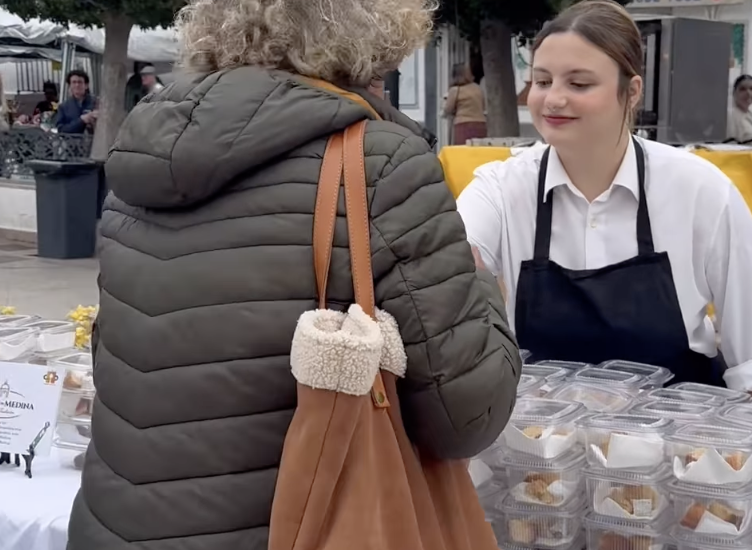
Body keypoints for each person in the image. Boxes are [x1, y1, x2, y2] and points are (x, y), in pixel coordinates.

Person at [65, 0, 519, 548]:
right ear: (374, 34)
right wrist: (479, 286)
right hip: (298, 528)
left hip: (110, 525)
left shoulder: (141, 159)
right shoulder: (384, 164)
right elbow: (468, 416)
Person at [456, 0, 752, 393]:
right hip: (543, 444)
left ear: (631, 91)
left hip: (677, 440)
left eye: (579, 83)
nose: (552, 99)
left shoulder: (699, 189)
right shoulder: (501, 187)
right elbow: (449, 265)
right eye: (543, 81)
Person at [443, 62, 487, 144]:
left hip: (463, 125)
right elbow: (483, 106)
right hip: (480, 124)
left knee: (463, 151)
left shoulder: (455, 90)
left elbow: (448, 110)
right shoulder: (477, 88)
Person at [54, 70, 97, 134]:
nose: (77, 85)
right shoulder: (63, 107)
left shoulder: (96, 102)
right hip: (72, 142)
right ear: (70, 86)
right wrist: (81, 120)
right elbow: (61, 129)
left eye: (80, 82)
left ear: (86, 85)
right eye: (74, 82)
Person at [726, 74, 752, 146]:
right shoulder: (731, 117)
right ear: (734, 93)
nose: (748, 93)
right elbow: (730, 148)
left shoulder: (750, 116)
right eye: (743, 89)